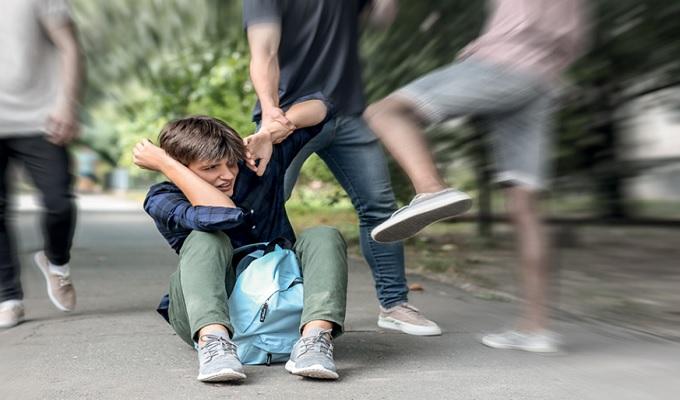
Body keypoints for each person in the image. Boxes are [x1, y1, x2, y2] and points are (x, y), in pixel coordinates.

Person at [364, 0, 588, 352]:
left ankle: (431, 190)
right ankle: (536, 328)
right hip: (542, 80)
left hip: (501, 62)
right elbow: (574, 39)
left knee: (385, 112)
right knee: (525, 208)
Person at [243, 0, 457, 337]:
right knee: (264, 207)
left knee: (379, 208)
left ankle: (394, 304)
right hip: (288, 117)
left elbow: (382, 17)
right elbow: (263, 51)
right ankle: (257, 304)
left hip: (347, 115)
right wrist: (270, 111)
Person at [133, 103, 348, 382]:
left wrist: (268, 134)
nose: (227, 174)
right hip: (209, 314)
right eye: (210, 168)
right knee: (205, 238)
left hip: (284, 301)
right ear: (179, 170)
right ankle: (215, 344)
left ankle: (315, 341)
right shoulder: (163, 198)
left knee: (324, 235)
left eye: (230, 163)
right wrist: (165, 162)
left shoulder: (256, 164)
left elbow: (323, 109)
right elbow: (223, 214)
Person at [0, 0, 83, 328]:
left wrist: (67, 103)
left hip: (41, 118)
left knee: (59, 202)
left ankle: (56, 262)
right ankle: (8, 296)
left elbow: (69, 46)